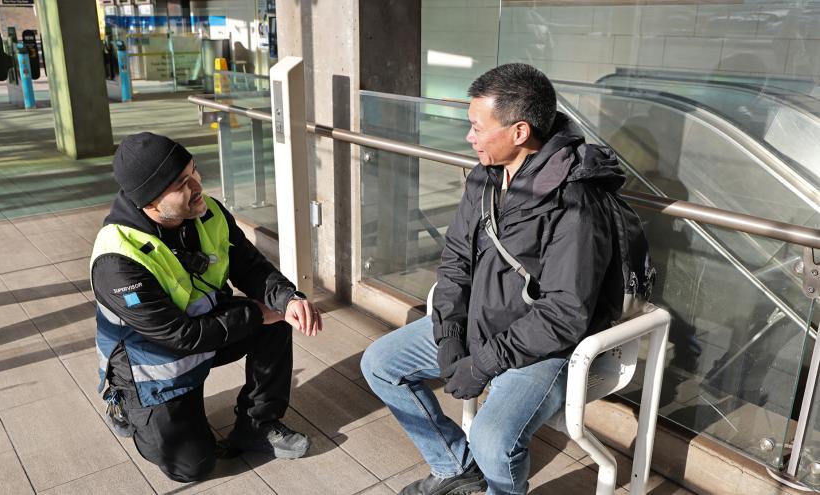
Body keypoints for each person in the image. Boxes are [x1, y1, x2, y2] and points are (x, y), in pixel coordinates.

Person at [361, 64, 630, 495]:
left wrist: (483, 363)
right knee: (381, 364)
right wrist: (449, 337)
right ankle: (454, 465)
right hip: (479, 330)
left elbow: (564, 313)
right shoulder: (486, 178)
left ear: (519, 131)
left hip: (548, 350)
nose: (469, 137)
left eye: (476, 127)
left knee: (492, 440)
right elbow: (454, 264)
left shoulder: (576, 199)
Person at [91, 132, 322, 482]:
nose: (198, 185)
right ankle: (126, 405)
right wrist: (257, 313)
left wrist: (286, 298)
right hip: (153, 366)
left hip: (206, 333)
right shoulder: (118, 261)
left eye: (194, 172)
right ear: (151, 201)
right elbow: (179, 335)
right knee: (192, 467)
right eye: (182, 183)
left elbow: (249, 266)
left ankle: (256, 425)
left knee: (278, 318)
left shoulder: (207, 211)